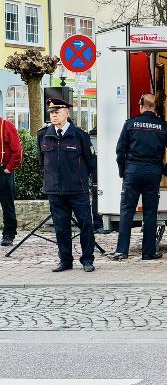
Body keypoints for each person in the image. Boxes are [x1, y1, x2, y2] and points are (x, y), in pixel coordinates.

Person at [111, 93, 167, 261]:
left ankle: (121, 251)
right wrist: (165, 170)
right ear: (155, 107)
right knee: (150, 213)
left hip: (132, 172)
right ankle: (148, 252)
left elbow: (120, 151)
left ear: (141, 105)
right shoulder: (163, 126)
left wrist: (123, 171)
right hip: (153, 173)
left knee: (127, 211)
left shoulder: (130, 124)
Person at [37, 98, 96, 272]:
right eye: (51, 112)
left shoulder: (80, 135)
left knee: (85, 224)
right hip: (55, 189)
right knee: (61, 227)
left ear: (66, 112)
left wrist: (81, 180)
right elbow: (42, 162)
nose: (54, 115)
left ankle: (87, 259)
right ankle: (65, 260)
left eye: (57, 112)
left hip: (77, 189)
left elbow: (90, 161)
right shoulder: (43, 135)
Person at [0, 114, 23, 246]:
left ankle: (9, 234)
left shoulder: (6, 125)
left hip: (3, 170)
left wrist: (8, 169)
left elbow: (17, 151)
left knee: (7, 205)